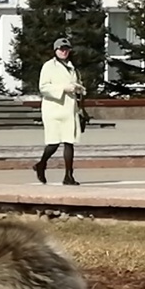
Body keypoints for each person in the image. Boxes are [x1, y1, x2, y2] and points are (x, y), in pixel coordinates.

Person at [34, 37, 85, 186]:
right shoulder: (49, 66)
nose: (64, 52)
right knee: (53, 143)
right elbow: (43, 88)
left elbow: (76, 84)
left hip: (69, 109)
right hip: (53, 109)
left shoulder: (72, 67)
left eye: (66, 49)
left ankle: (68, 176)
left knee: (69, 142)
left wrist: (78, 88)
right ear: (55, 50)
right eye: (61, 49)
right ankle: (41, 164)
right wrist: (62, 89)